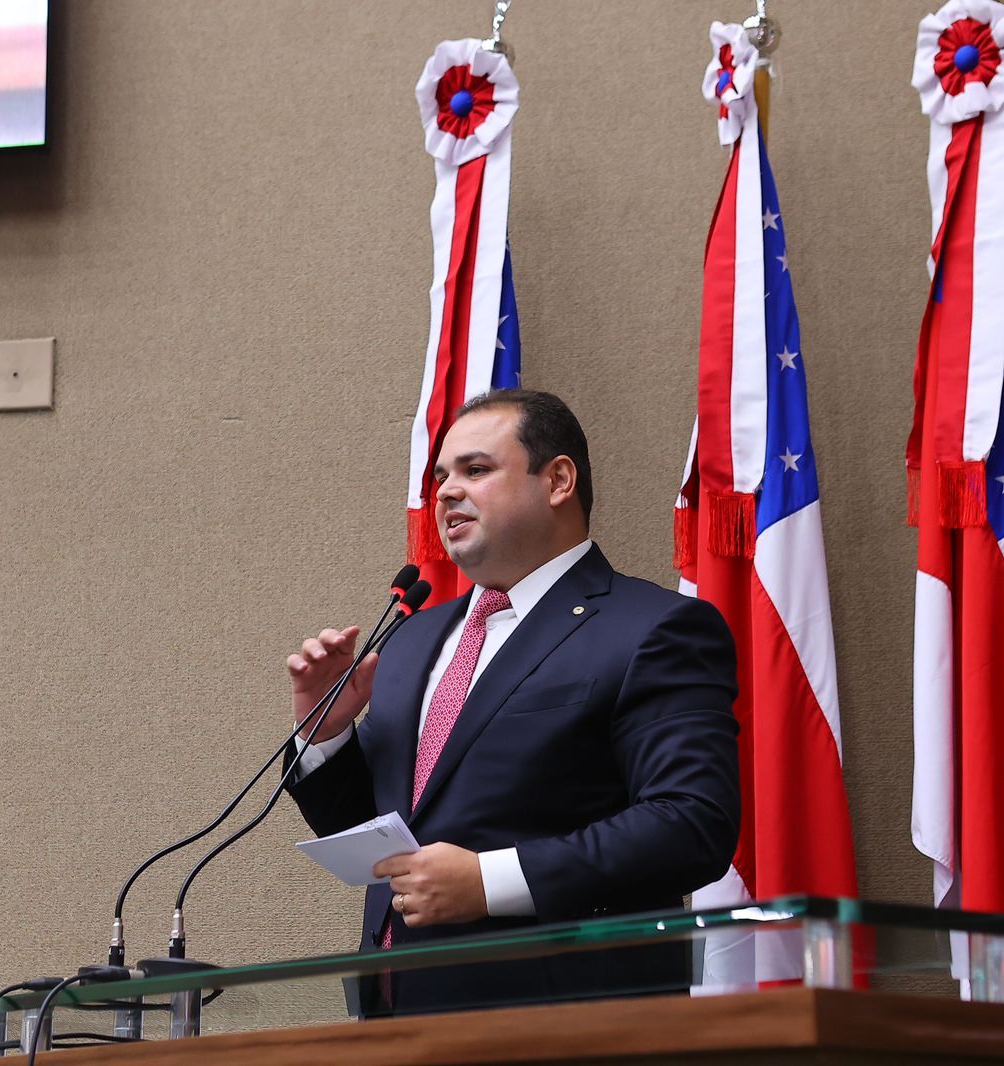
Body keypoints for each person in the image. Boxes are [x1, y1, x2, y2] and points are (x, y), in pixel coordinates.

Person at [284, 389, 740, 1015]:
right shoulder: (412, 640)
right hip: (397, 1017)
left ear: (557, 481)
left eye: (475, 470)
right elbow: (381, 837)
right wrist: (326, 734)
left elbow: (692, 824)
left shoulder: (654, 629)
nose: (445, 492)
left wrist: (490, 882)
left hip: (567, 1021)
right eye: (441, 476)